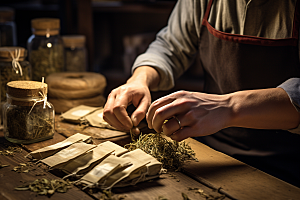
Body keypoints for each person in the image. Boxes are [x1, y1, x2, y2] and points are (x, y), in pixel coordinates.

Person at [103, 0, 300, 187]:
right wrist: (140, 78)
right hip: (214, 152)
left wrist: (229, 107)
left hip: (288, 162)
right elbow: (171, 45)